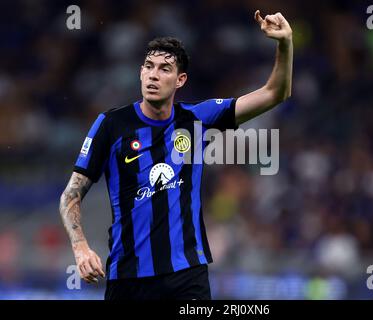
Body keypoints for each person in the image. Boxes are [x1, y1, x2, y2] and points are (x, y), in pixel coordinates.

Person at [59, 9, 293, 300]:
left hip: (187, 276)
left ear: (180, 80)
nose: (153, 75)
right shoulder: (111, 125)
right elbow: (71, 194)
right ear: (140, 72)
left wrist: (285, 44)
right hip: (129, 278)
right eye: (148, 66)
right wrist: (80, 247)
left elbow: (275, 93)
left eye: (164, 69)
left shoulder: (198, 118)